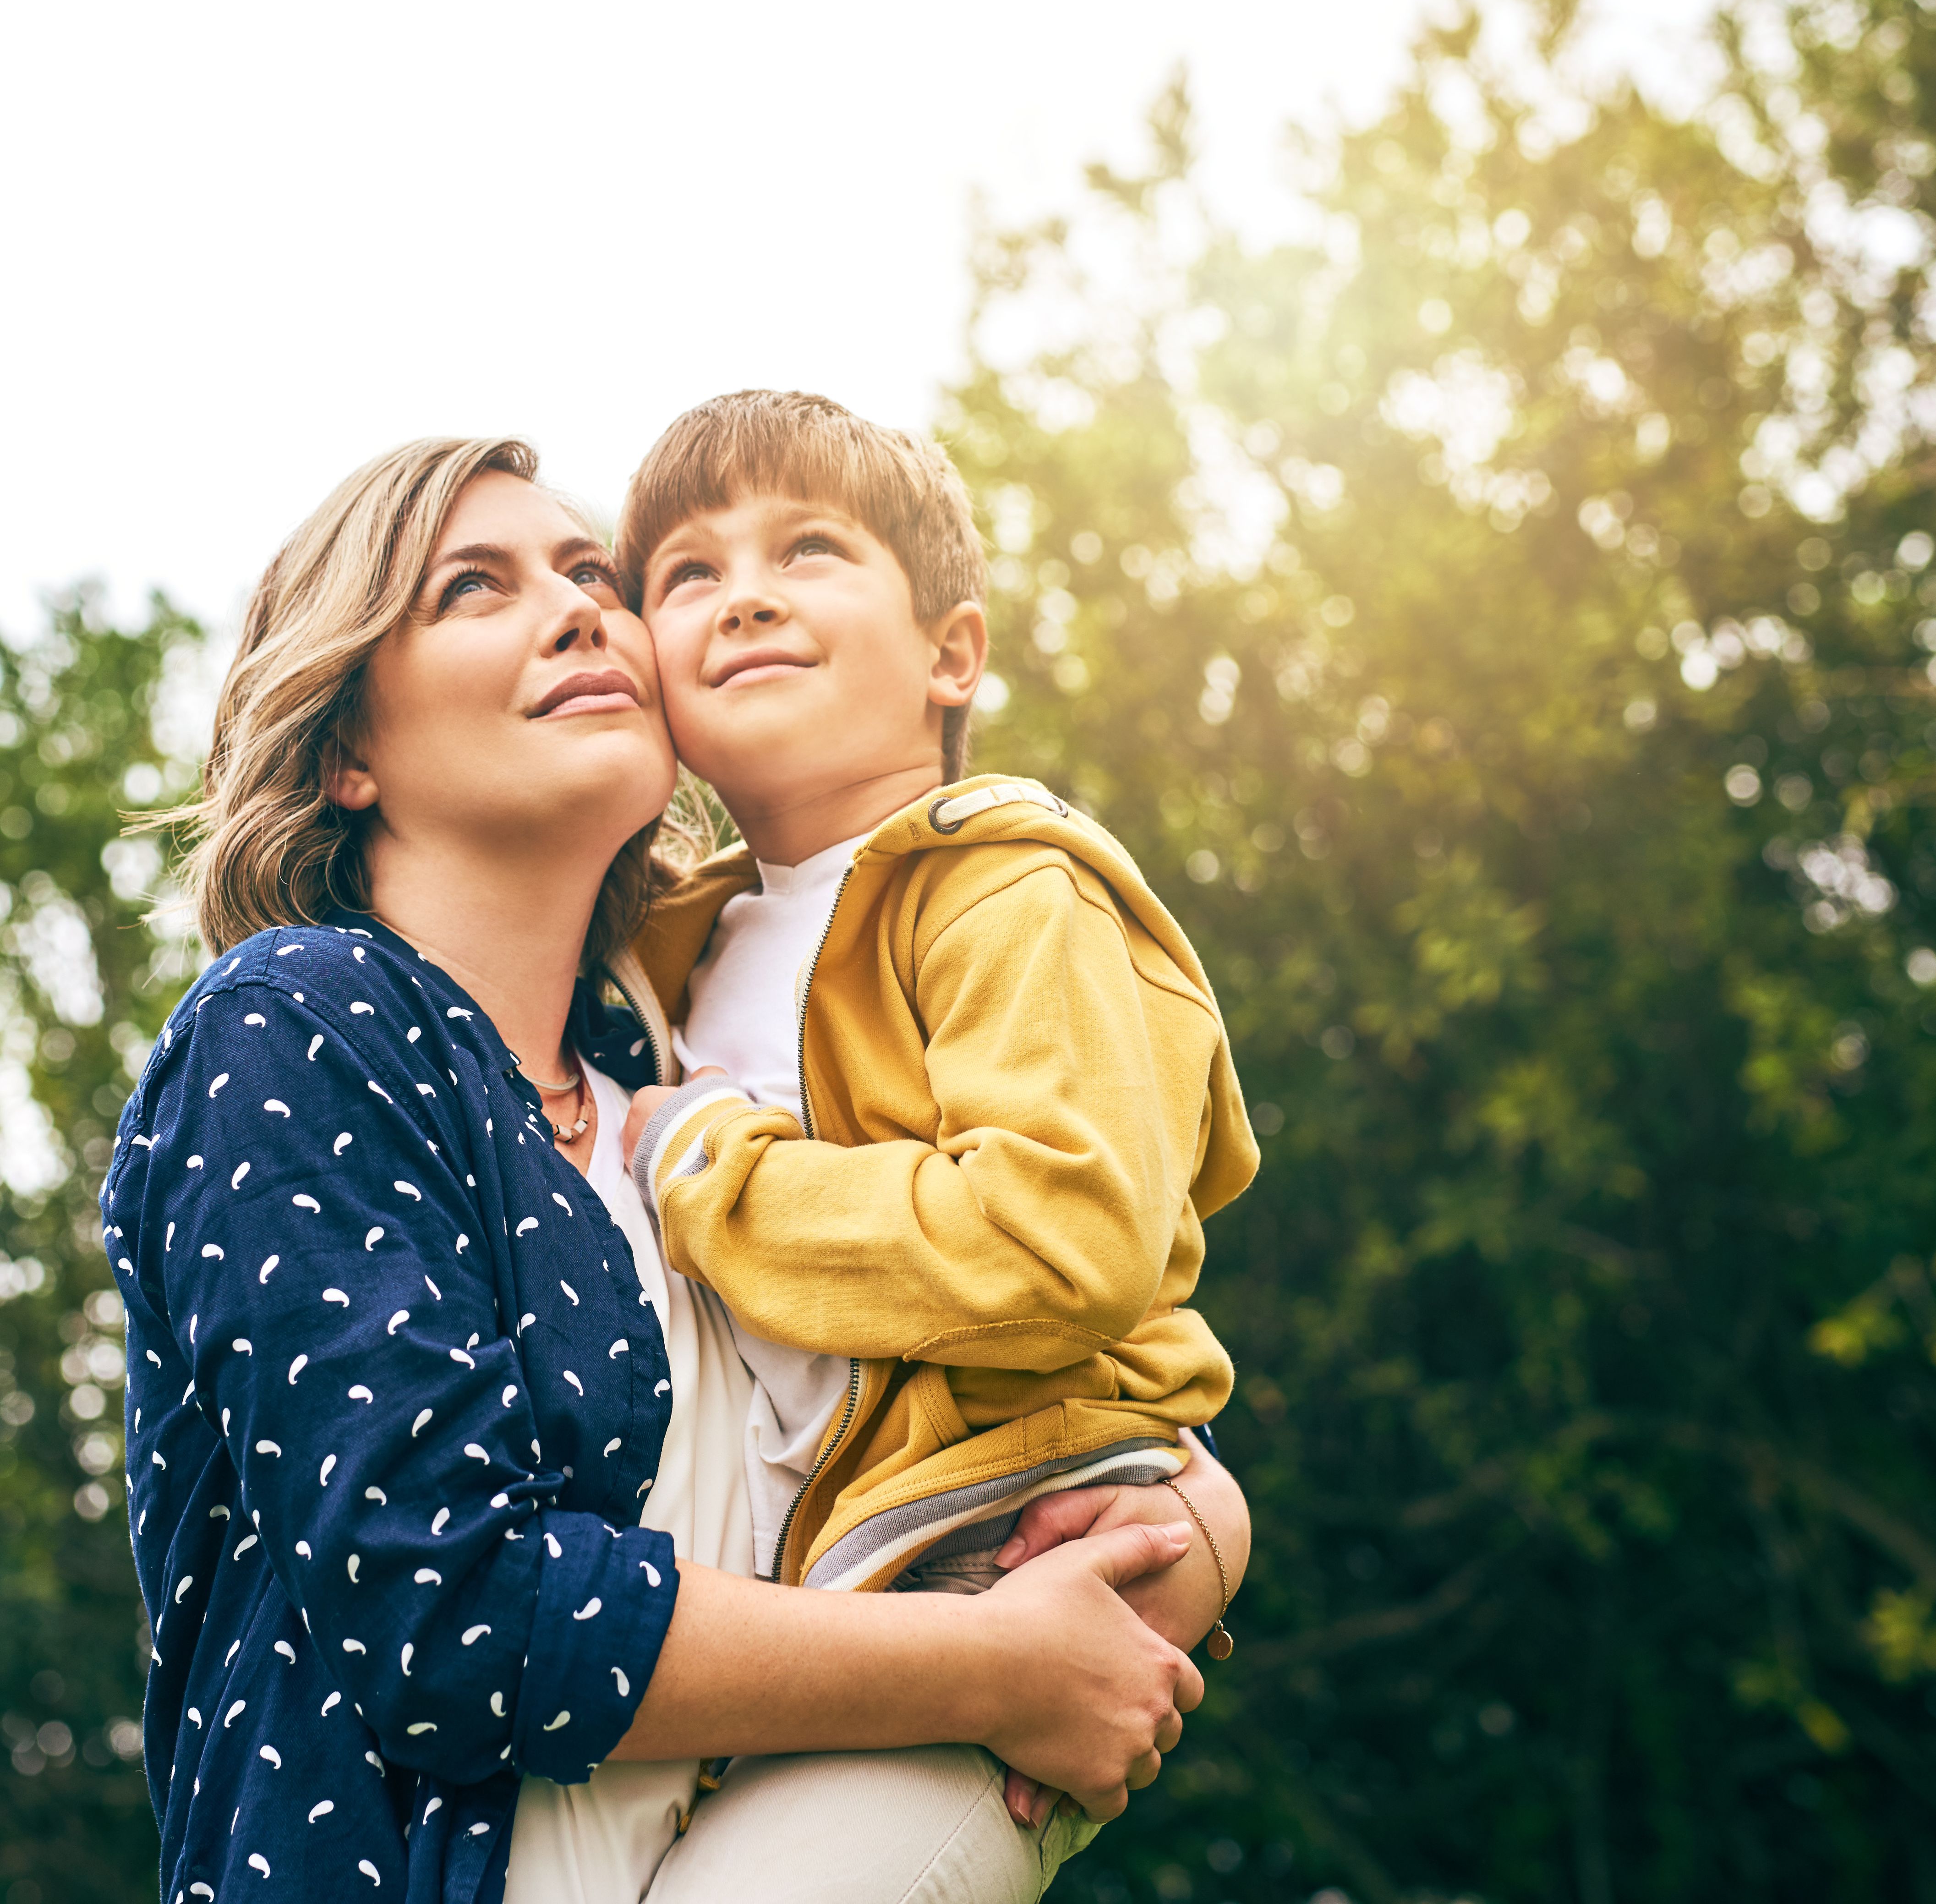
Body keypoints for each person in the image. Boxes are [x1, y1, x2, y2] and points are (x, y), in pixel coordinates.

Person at [108, 436, 1214, 1904]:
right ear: (348, 749)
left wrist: (1190, 1509)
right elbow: (448, 1611)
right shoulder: (299, 1028)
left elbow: (966, 1391)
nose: (578, 611)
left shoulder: (683, 1096)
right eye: (473, 590)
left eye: (591, 577)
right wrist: (991, 1666)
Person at [607, 390, 1262, 1873]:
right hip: (818, 1598)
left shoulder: (1008, 892)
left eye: (811, 549)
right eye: (688, 574)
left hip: (1015, 1542)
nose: (746, 592)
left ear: (949, 655)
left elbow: (1062, 1238)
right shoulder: (671, 947)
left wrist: (713, 1173)